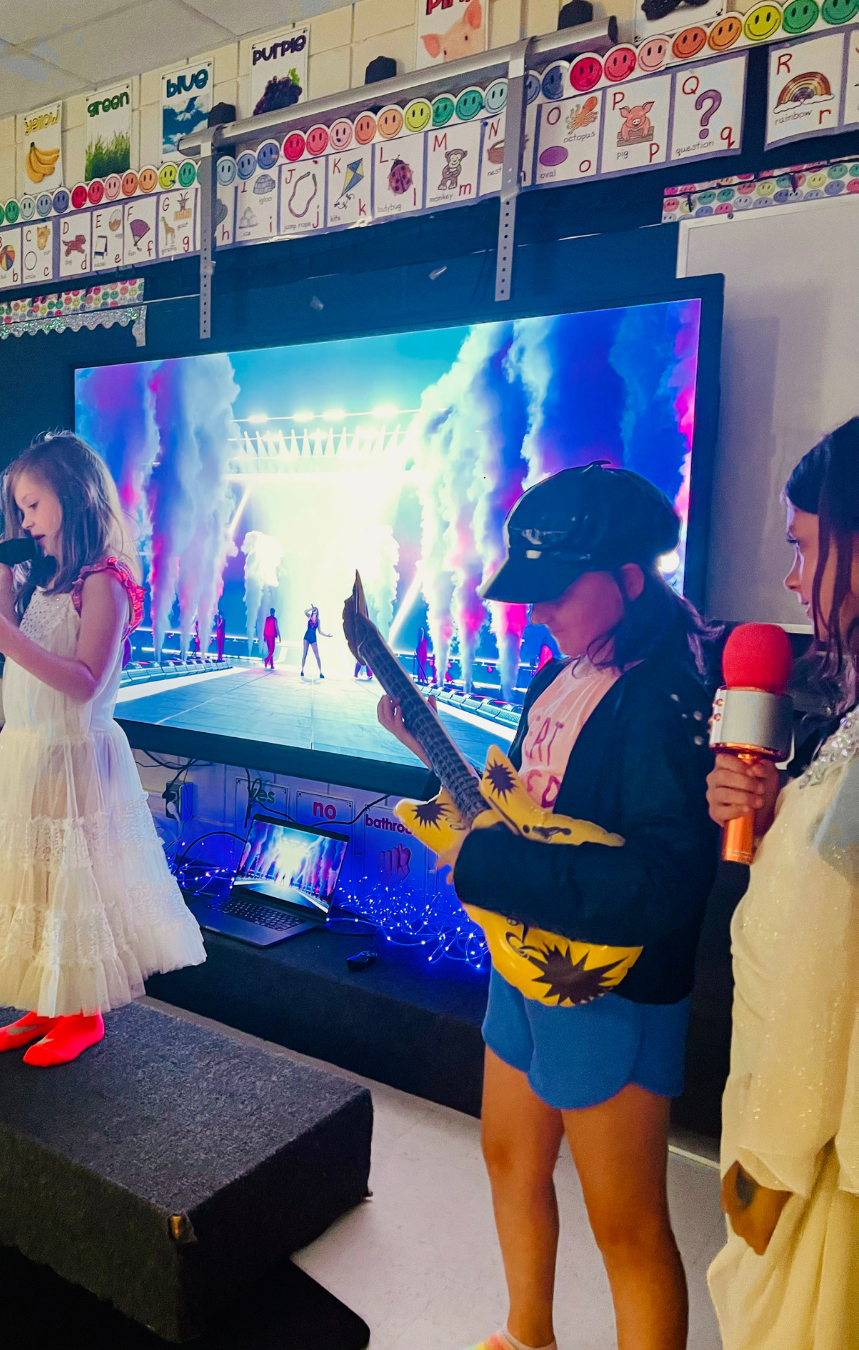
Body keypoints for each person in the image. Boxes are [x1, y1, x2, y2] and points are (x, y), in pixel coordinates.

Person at [379, 464, 718, 1350]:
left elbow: (659, 885)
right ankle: (526, 1337)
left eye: (556, 590)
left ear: (631, 581)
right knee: (510, 1160)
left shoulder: (665, 697)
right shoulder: (559, 677)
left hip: (615, 991)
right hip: (525, 967)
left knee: (630, 1229)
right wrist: (432, 753)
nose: (538, 612)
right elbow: (526, 814)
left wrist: (486, 860)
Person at [0, 432, 206, 1067]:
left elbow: (83, 680)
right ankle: (50, 998)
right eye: (20, 510)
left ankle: (82, 1012)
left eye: (34, 506)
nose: (25, 522)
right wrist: (0, 599)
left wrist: (3, 633)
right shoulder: (46, 579)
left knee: (77, 880)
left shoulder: (104, 582)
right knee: (38, 883)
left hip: (74, 754)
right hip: (30, 751)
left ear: (74, 495)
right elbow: (19, 652)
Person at [705, 418, 859, 1349]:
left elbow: (827, 972)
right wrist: (762, 826)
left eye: (804, 548)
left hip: (817, 1157)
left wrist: (769, 1162)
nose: (793, 581)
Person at [301, 604, 330, 679]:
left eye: (316, 609)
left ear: (317, 612)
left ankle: (320, 672)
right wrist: (311, 608)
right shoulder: (309, 617)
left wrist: (326, 635)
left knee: (317, 656)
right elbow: (305, 611)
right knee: (305, 654)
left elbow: (320, 631)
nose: (315, 610)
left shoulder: (318, 620)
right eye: (314, 609)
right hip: (307, 636)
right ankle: (302, 670)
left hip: (313, 637)